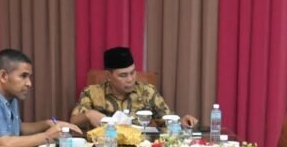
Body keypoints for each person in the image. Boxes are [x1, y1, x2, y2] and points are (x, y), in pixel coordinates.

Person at [70, 46, 198, 129]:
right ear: (109, 76)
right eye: (123, 75)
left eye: (132, 72)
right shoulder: (92, 93)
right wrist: (88, 114)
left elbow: (166, 120)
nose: (130, 79)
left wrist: (182, 122)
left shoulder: (147, 91)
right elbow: (73, 122)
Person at [0, 48, 81, 147]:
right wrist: (47, 136)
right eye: (23, 76)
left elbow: (18, 128)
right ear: (3, 76)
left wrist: (48, 124)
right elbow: (5, 143)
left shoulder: (10, 96)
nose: (29, 83)